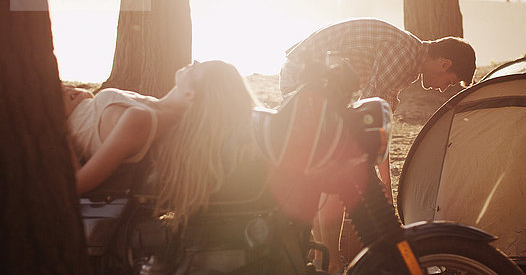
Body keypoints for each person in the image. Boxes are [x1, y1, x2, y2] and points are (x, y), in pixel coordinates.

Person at [279, 18, 476, 271]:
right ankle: (330, 261)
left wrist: (384, 181)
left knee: (333, 167)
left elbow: (380, 125)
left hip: (311, 78)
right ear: (444, 63)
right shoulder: (407, 55)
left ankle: (322, 260)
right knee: (337, 166)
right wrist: (375, 177)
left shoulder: (410, 59)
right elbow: (369, 113)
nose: (442, 89)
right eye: (449, 81)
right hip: (304, 78)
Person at [63, 60, 262, 229]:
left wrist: (58, 122)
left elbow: (77, 185)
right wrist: (83, 98)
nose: (193, 62)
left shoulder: (142, 120)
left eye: (198, 68)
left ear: (190, 95)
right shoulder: (150, 105)